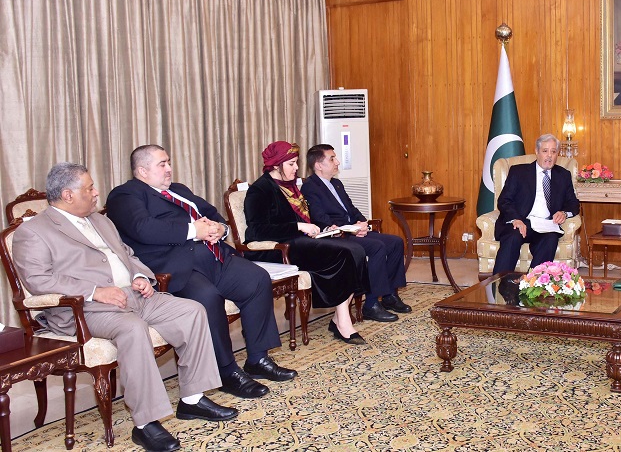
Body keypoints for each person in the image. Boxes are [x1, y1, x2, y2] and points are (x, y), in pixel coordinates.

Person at [13, 163, 238, 452]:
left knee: (192, 311)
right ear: (68, 194)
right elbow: (38, 279)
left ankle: (193, 400)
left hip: (133, 296)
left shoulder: (100, 220)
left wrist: (140, 276)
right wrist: (96, 292)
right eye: (90, 188)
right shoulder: (33, 232)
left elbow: (127, 254)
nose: (96, 193)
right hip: (84, 309)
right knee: (133, 328)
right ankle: (146, 424)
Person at [106, 145, 297, 402]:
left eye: (169, 162)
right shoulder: (126, 195)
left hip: (215, 257)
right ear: (142, 170)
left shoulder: (180, 190)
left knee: (257, 279)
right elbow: (143, 229)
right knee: (208, 298)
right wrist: (192, 231)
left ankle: (258, 358)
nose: (169, 168)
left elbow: (212, 214)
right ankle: (226, 371)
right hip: (175, 267)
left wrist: (220, 228)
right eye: (162, 164)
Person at [243, 141, 373, 344]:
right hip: (278, 249)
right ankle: (344, 323)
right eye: (292, 164)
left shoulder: (291, 186)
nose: (296, 168)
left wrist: (320, 229)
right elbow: (256, 230)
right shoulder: (260, 190)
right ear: (276, 165)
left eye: (296, 163)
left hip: (301, 242)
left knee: (355, 250)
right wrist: (298, 227)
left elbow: (308, 218)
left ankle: (338, 317)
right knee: (343, 253)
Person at [302, 144, 412, 317]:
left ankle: (390, 295)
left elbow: (351, 209)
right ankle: (371, 304)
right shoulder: (310, 187)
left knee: (395, 242)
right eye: (332, 159)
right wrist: (350, 230)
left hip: (351, 230)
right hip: (336, 236)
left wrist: (362, 223)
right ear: (318, 165)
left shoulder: (336, 183)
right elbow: (319, 217)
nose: (337, 161)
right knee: (376, 247)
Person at [492, 133, 580, 274]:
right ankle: (499, 283)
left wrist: (564, 213)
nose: (549, 156)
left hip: (546, 225)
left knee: (551, 239)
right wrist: (516, 219)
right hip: (521, 222)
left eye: (553, 151)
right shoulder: (518, 172)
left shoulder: (563, 175)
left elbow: (573, 203)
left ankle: (533, 283)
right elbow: (504, 200)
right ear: (537, 152)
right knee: (512, 237)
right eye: (545, 151)